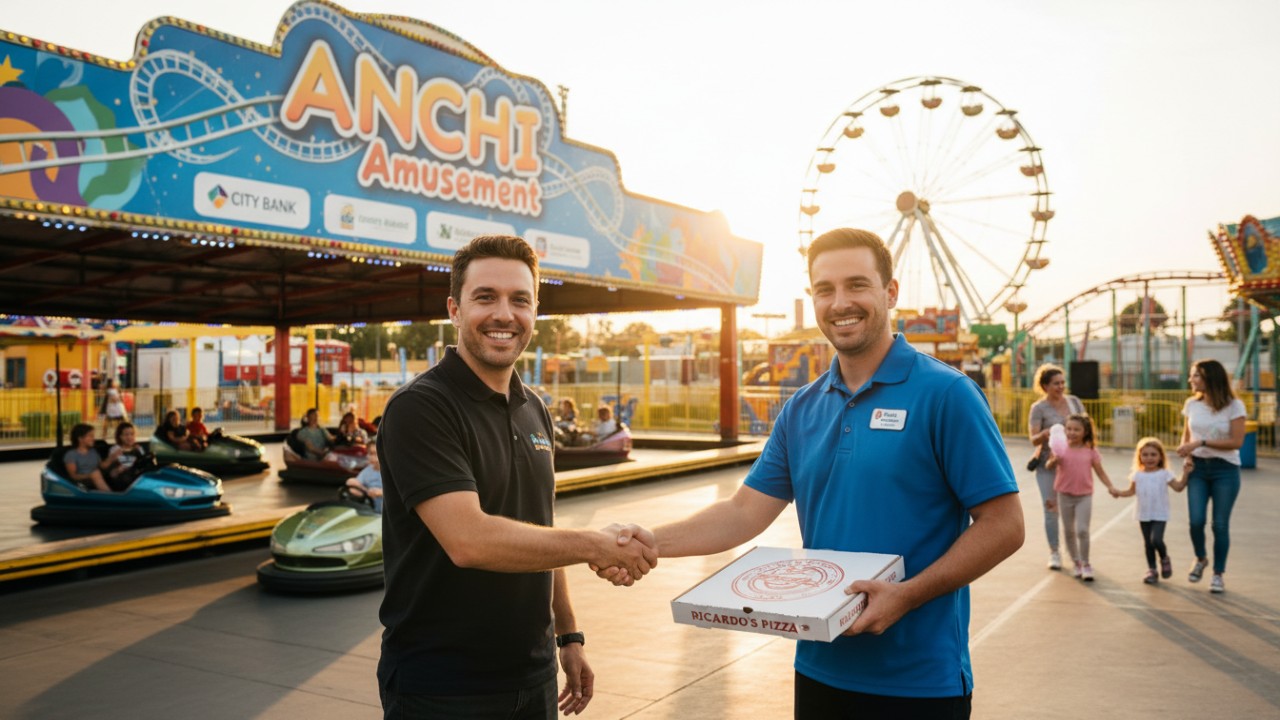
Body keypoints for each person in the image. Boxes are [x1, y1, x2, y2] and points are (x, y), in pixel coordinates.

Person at [604, 228, 1024, 718]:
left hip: (919, 682)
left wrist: (907, 596)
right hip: (819, 668)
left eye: (857, 285)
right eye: (825, 289)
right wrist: (648, 541)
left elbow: (1005, 525)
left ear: (890, 293)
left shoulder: (946, 395)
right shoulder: (801, 409)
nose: (840, 302)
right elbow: (742, 513)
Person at [376, 234, 657, 719]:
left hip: (532, 675)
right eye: (485, 297)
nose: (504, 314)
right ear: (455, 309)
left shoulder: (536, 411)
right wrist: (596, 544)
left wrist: (567, 635)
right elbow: (470, 541)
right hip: (442, 689)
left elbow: (540, 525)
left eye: (520, 300)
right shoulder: (421, 408)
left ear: (534, 314)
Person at [1174, 358, 1245, 594]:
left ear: (1209, 378)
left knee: (1220, 524)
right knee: (1195, 520)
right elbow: (1187, 437)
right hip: (1198, 470)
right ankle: (1201, 558)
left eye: (1195, 375)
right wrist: (1186, 453)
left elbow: (1236, 442)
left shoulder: (1235, 406)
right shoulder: (1192, 405)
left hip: (1225, 469)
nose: (1190, 380)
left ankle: (1218, 573)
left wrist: (1202, 442)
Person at [1044, 413, 1118, 581]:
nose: (1072, 432)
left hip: (1084, 496)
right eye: (1069, 429)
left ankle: (1086, 563)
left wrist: (1110, 487)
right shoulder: (1060, 448)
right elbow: (1048, 465)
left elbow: (1100, 472)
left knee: (1082, 530)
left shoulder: (1090, 451)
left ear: (1085, 432)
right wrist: (1054, 460)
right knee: (1069, 531)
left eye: (1077, 430)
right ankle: (1076, 561)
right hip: (1064, 495)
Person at [1027, 364, 1086, 571]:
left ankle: (1076, 554)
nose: (1061, 387)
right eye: (1055, 383)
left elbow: (1087, 430)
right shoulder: (1039, 408)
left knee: (1072, 510)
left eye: (1062, 382)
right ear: (1044, 386)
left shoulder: (1074, 403)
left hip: (1072, 466)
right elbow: (1033, 439)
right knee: (1051, 507)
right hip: (1047, 465)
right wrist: (1046, 433)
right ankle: (1054, 551)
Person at [1115, 437, 1189, 584]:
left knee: (1156, 540)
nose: (1149, 458)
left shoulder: (1164, 474)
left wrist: (1186, 473)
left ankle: (1164, 558)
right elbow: (1131, 492)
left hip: (1160, 513)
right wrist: (1118, 492)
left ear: (1160, 456)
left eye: (1153, 454)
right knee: (1148, 543)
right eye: (1145, 454)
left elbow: (1179, 487)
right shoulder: (1137, 475)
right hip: (1143, 513)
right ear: (1140, 457)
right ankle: (1152, 570)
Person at [63, 423, 110, 492]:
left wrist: (113, 458)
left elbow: (102, 466)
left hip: (97, 477)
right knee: (95, 473)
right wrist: (90, 475)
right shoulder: (71, 455)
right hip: (81, 483)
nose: (93, 439)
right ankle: (110, 496)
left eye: (93, 436)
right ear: (80, 438)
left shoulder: (93, 451)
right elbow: (73, 476)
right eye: (90, 436)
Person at [102, 422, 147, 492]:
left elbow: (145, 461)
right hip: (121, 479)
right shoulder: (116, 449)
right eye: (126, 435)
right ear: (120, 436)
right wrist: (119, 468)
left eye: (132, 434)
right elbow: (110, 472)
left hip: (138, 477)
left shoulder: (138, 448)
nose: (129, 437)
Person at [346, 442, 384, 513]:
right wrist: (366, 490)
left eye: (375, 454)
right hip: (372, 512)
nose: (371, 457)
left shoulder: (391, 472)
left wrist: (381, 492)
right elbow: (354, 486)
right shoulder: (367, 471)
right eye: (370, 454)